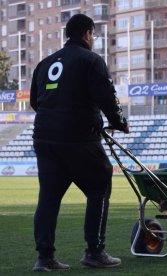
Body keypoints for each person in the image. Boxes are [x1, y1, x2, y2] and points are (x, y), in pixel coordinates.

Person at [30, 14, 129, 272]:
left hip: (44, 138)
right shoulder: (91, 60)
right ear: (87, 33)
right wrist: (119, 122)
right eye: (93, 35)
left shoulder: (44, 63)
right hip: (78, 138)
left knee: (49, 198)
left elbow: (34, 102)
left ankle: (45, 258)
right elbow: (108, 96)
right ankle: (94, 252)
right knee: (100, 184)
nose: (93, 39)